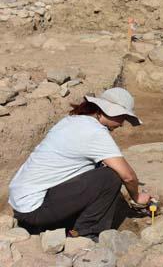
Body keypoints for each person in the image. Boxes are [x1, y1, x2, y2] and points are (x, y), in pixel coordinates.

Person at [8, 87, 150, 240]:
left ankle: (61, 224)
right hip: (35, 209)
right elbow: (128, 176)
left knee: (100, 169)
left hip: (22, 205)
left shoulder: (72, 121)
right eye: (122, 117)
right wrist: (136, 197)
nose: (122, 124)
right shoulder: (94, 132)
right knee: (111, 176)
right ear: (105, 111)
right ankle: (86, 234)